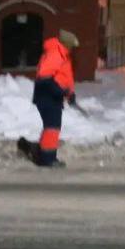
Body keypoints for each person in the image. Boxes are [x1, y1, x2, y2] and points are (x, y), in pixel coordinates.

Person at [31, 29, 79, 167]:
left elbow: (64, 77)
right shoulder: (55, 54)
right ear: (67, 44)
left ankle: (42, 155)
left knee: (51, 126)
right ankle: (48, 159)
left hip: (52, 96)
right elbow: (44, 77)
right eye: (72, 46)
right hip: (47, 95)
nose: (73, 49)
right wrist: (60, 91)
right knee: (52, 127)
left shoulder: (63, 55)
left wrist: (70, 93)